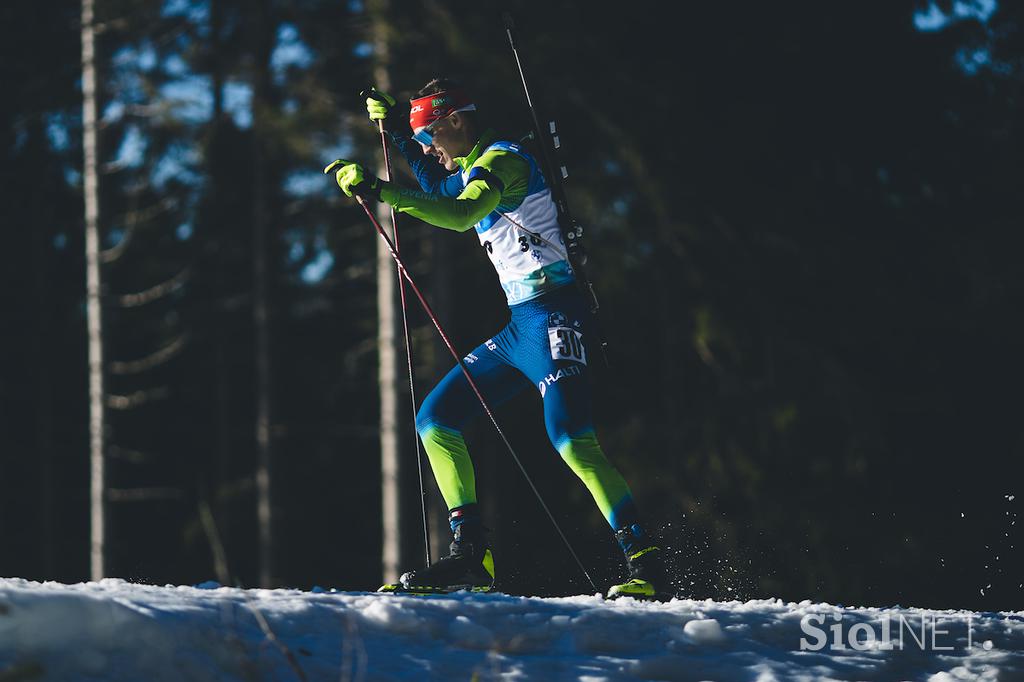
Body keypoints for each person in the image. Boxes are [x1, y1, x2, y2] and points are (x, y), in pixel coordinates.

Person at [325, 78, 668, 598]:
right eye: (423, 142)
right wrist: (399, 128)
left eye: (431, 138)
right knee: (435, 422)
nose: (429, 150)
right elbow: (437, 186)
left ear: (457, 122)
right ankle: (471, 557)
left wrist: (377, 189)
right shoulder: (469, 163)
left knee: (573, 441)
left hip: (555, 319)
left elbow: (459, 214)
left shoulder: (504, 163)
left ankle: (646, 562)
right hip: (519, 327)